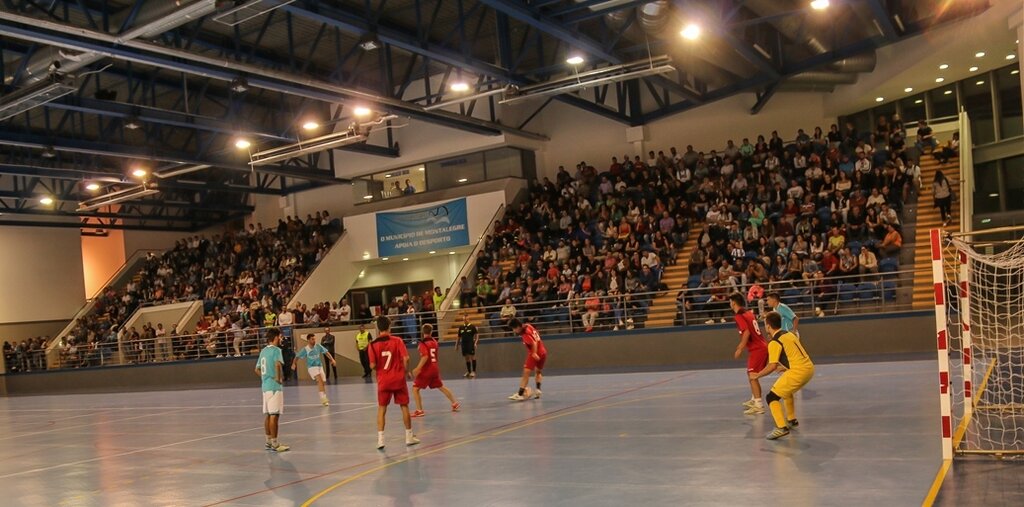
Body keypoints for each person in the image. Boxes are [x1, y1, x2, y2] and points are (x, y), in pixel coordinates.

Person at [750, 311, 815, 440]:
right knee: (786, 391)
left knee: (771, 397)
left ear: (768, 326)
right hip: (808, 369)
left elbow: (771, 365)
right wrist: (783, 367)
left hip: (798, 372)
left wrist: (757, 375)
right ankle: (791, 419)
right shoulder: (789, 334)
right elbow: (794, 354)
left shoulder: (774, 342)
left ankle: (781, 427)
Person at [367, 316, 419, 449]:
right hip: (398, 379)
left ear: (378, 328)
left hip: (383, 381)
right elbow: (406, 358)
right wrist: (405, 371)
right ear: (389, 326)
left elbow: (372, 365)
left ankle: (381, 440)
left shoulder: (372, 345)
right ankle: (409, 437)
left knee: (382, 409)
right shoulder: (397, 341)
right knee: (404, 406)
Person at [728, 293, 768, 415]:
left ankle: (759, 405)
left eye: (730, 301)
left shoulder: (739, 316)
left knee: (752, 376)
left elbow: (746, 332)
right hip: (762, 346)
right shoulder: (749, 313)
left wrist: (740, 348)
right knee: (752, 375)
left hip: (757, 349)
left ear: (733, 302)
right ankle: (754, 399)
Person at [410, 323, 461, 417]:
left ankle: (419, 410)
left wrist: (418, 368)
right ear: (431, 332)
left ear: (422, 331)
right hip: (435, 368)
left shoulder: (423, 343)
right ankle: (454, 403)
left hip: (427, 369)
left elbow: (425, 356)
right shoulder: (434, 342)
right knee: (441, 386)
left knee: (415, 389)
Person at [255, 328, 288, 452]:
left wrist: (265, 378)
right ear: (275, 337)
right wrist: (278, 378)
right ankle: (275, 443)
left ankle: (268, 441)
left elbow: (257, 369)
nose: (280, 339)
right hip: (274, 387)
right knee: (275, 415)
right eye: (280, 336)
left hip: (265, 387)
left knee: (268, 414)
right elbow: (278, 364)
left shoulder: (263, 351)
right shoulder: (276, 350)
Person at [507, 318, 547, 401]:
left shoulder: (525, 334)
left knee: (526, 372)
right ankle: (538, 390)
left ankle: (520, 394)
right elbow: (536, 336)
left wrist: (534, 353)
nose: (514, 331)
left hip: (534, 353)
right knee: (538, 371)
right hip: (543, 351)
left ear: (518, 327)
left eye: (514, 328)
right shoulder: (528, 325)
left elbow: (533, 343)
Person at [292, 333, 336, 406]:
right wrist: (294, 363)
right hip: (312, 367)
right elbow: (297, 356)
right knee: (319, 380)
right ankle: (324, 399)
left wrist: (332, 359)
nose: (314, 340)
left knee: (322, 382)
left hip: (319, 366)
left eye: (314, 339)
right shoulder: (305, 349)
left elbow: (326, 352)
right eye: (312, 339)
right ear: (308, 340)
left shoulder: (318, 346)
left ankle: (323, 397)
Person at [454, 312, 479, 378]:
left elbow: (477, 335)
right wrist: (456, 345)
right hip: (464, 344)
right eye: (464, 320)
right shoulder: (461, 327)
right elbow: (458, 337)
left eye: (466, 319)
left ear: (469, 319)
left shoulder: (472, 327)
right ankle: (469, 371)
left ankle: (473, 371)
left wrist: (475, 343)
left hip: (470, 344)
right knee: (466, 358)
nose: (465, 320)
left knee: (472, 357)